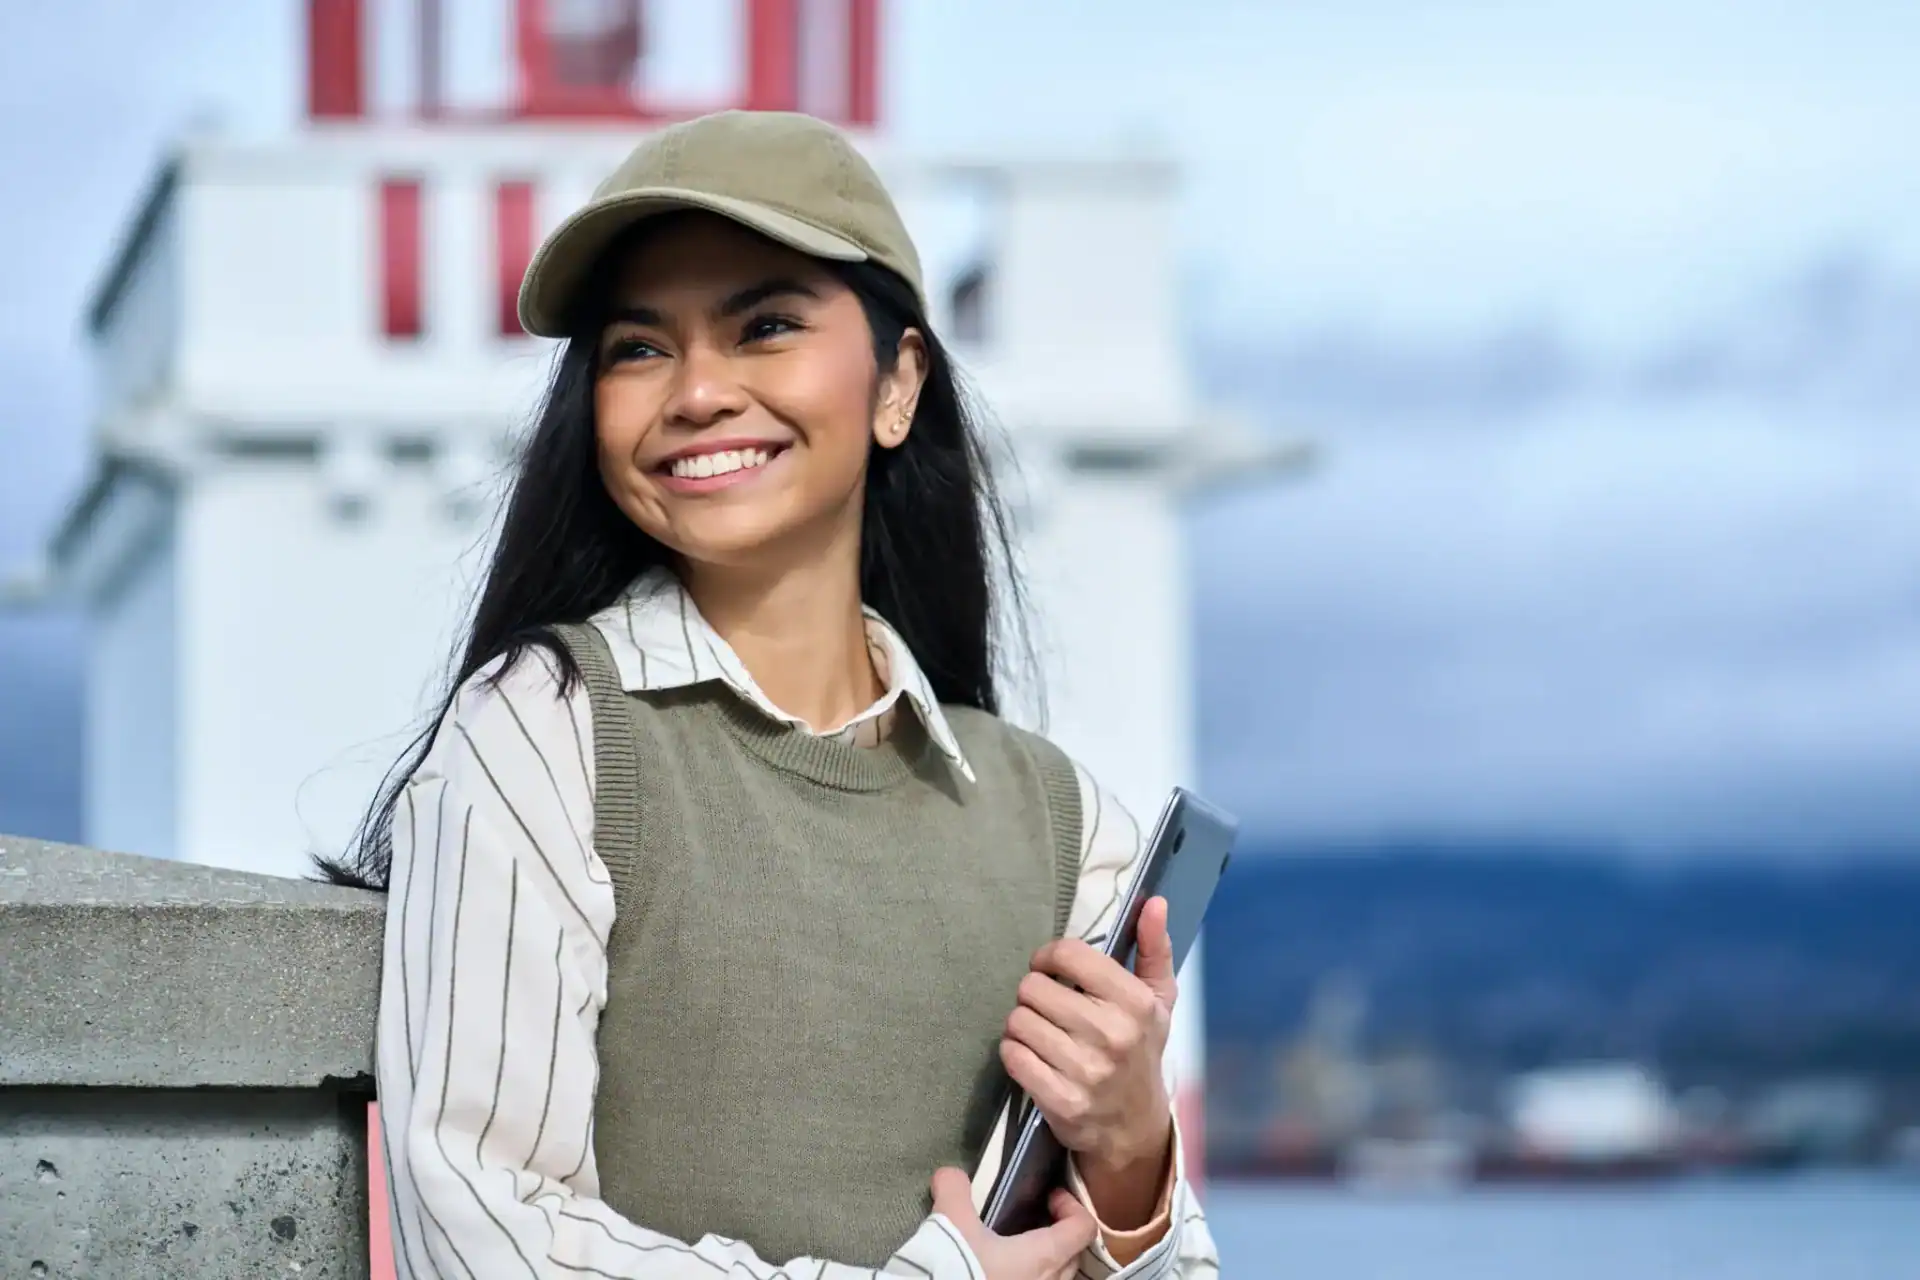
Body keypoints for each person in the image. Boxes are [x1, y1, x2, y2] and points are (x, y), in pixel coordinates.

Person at [322, 109, 1220, 1280]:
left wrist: (1132, 1152)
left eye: (766, 326)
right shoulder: (543, 731)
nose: (695, 392)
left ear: (898, 383)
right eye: (638, 348)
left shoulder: (1061, 820)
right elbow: (484, 1236)